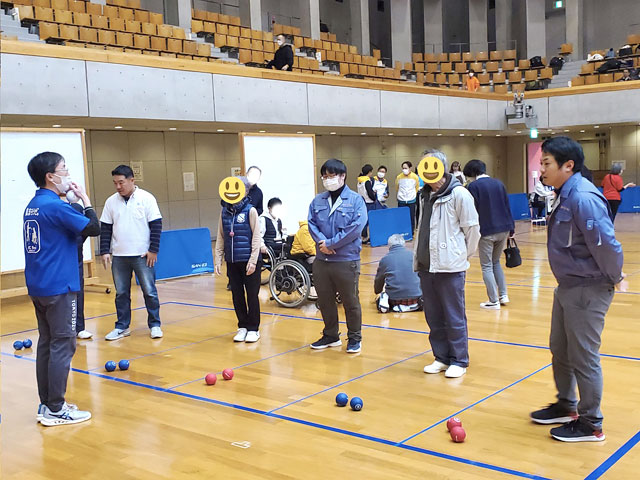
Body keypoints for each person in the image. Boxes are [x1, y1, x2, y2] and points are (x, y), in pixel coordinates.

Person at [530, 136, 626, 443]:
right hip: (568, 285)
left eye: (546, 163)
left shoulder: (583, 198)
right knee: (560, 349)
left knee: (583, 356)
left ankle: (590, 423)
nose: (542, 169)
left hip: (588, 287)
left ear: (568, 165)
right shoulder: (564, 194)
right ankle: (566, 405)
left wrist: (614, 276)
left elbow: (607, 244)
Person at [24, 152, 100, 426]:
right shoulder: (55, 207)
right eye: (64, 169)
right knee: (63, 344)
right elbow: (93, 227)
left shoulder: (34, 205)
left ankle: (47, 404)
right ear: (50, 176)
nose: (67, 174)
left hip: (39, 284)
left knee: (47, 342)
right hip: (59, 285)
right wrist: (85, 200)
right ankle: (56, 408)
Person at [414, 150, 480, 378]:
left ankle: (459, 360)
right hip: (426, 266)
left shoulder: (459, 194)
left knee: (454, 315)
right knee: (434, 316)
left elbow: (472, 230)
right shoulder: (423, 195)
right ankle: (441, 357)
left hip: (450, 267)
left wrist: (460, 256)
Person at [308, 158, 367, 353]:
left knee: (350, 301)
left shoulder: (356, 200)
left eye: (331, 176)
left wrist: (332, 244)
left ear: (342, 176)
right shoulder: (318, 200)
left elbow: (356, 227)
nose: (327, 180)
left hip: (346, 260)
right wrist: (322, 243)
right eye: (324, 177)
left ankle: (355, 338)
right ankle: (331, 335)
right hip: (322, 260)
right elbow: (311, 223)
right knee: (325, 301)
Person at [100, 165, 164, 341]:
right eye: (115, 183)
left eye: (121, 182)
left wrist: (153, 250)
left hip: (142, 255)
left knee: (149, 291)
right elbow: (105, 228)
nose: (118, 186)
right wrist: (104, 250)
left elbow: (156, 225)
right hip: (119, 256)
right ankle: (122, 326)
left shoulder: (147, 198)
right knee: (121, 293)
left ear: (132, 180)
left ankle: (155, 324)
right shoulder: (110, 202)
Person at [214, 177, 262, 343]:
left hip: (249, 261)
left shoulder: (251, 211)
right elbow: (221, 236)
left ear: (245, 191)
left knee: (252, 295)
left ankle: (253, 329)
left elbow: (256, 237)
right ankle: (242, 326)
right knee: (237, 295)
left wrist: (253, 261)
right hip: (232, 261)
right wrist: (218, 259)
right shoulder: (224, 212)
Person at [463, 159, 515, 310]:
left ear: (472, 173)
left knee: (486, 266)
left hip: (486, 230)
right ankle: (503, 295)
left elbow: (471, 210)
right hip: (504, 228)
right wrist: (511, 229)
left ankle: (493, 300)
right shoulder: (499, 183)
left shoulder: (473, 186)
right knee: (495, 262)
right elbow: (507, 206)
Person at [374, 234, 422, 313]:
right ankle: (414, 305)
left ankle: (384, 301)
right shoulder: (413, 255)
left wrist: (377, 291)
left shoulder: (385, 259)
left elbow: (379, 279)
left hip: (394, 298)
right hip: (415, 296)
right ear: (404, 244)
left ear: (389, 246)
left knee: (385, 294)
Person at [69, 199, 95, 339]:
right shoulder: (64, 229)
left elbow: (93, 228)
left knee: (79, 295)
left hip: (77, 264)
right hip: (63, 266)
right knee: (64, 298)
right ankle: (68, 329)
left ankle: (79, 328)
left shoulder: (82, 231)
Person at [396, 161, 420, 232]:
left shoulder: (415, 177)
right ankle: (402, 231)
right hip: (401, 200)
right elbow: (397, 187)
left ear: (410, 168)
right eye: (403, 168)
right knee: (401, 217)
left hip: (411, 200)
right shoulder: (399, 177)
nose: (404, 170)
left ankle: (411, 232)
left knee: (411, 217)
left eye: (406, 168)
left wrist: (412, 195)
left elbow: (416, 187)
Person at [357, 164, 377, 243]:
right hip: (369, 202)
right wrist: (374, 198)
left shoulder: (359, 180)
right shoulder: (367, 181)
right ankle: (367, 237)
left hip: (362, 202)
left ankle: (363, 237)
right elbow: (369, 193)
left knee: (364, 220)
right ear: (369, 172)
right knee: (369, 221)